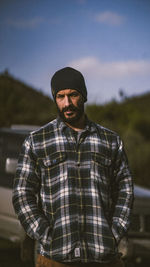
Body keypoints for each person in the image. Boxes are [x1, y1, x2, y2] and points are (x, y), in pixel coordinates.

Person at [12, 67, 134, 267]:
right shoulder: (37, 141)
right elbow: (22, 194)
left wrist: (113, 233)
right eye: (60, 96)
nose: (67, 103)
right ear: (55, 98)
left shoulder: (110, 141)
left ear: (83, 95)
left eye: (73, 95)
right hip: (55, 258)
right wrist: (46, 235)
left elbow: (125, 190)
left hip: (104, 257)